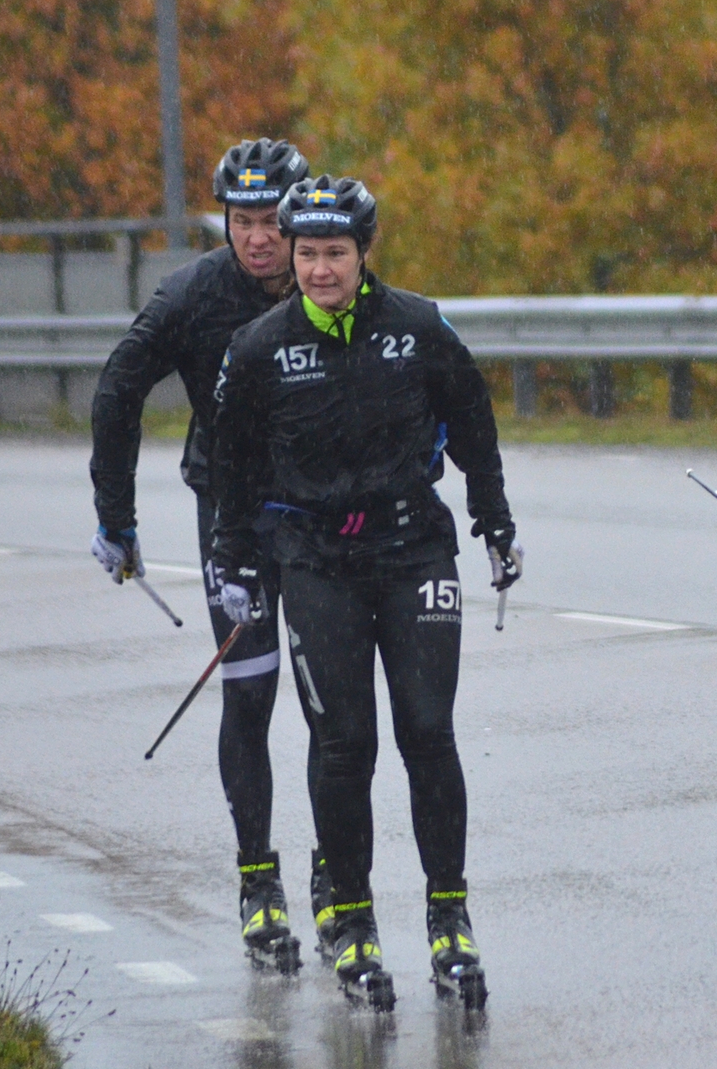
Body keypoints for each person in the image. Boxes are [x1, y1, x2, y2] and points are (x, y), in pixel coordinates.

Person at [210, 174, 521, 1001]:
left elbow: (474, 425)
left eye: (334, 254)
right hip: (314, 561)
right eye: (306, 254)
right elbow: (230, 465)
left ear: (363, 254)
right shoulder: (261, 347)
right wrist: (236, 558)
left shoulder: (418, 328)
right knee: (345, 744)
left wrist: (494, 521)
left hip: (413, 551)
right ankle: (350, 919)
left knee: (428, 731)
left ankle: (449, 916)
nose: (318, 269)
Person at [88, 138, 316, 969]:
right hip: (233, 517)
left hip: (326, 518)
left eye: (271, 222)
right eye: (242, 221)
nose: (258, 239)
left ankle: (338, 873)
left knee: (336, 705)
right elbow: (118, 386)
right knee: (250, 696)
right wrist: (117, 516)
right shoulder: (192, 295)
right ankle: (259, 882)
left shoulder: (333, 274)